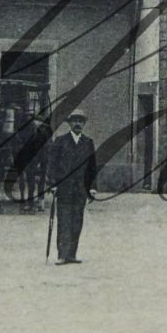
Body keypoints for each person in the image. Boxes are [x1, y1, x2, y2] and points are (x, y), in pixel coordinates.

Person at [47, 108, 98, 264]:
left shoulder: (88, 143)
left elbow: (92, 167)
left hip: (80, 190)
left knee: (77, 221)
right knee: (64, 221)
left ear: (83, 124)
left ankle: (72, 254)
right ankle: (62, 255)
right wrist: (53, 183)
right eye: (74, 121)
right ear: (69, 124)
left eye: (80, 121)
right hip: (64, 189)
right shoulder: (60, 141)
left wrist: (92, 187)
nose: (77, 124)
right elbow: (52, 164)